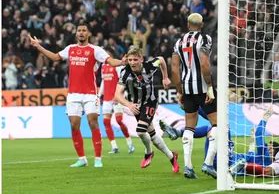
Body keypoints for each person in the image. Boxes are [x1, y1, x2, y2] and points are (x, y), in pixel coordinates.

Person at [28, 23, 127, 168]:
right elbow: (55, 57)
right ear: (76, 33)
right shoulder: (70, 49)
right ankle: (82, 159)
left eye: (84, 31)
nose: (81, 33)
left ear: (88, 34)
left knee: (93, 123)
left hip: (90, 94)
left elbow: (110, 61)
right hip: (73, 94)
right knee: (74, 125)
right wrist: (38, 46)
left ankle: (98, 159)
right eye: (79, 30)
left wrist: (121, 62)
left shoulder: (95, 50)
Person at [114, 48, 179, 173]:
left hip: (150, 102)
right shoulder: (125, 73)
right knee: (153, 135)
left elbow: (161, 59)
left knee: (140, 130)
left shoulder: (149, 66)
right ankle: (172, 157)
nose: (132, 62)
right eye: (130, 60)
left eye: (135, 60)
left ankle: (148, 153)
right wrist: (129, 105)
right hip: (136, 105)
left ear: (141, 59)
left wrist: (165, 77)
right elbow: (117, 94)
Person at [160, 107, 277, 176]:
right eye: (269, 146)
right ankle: (179, 131)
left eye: (270, 148)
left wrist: (265, 118)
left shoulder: (267, 159)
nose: (267, 147)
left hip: (226, 159)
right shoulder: (258, 158)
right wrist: (252, 138)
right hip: (222, 159)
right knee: (211, 129)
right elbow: (252, 149)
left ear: (274, 154)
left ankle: (192, 108)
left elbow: (259, 135)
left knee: (221, 123)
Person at [172, 12, 217, 179]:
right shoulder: (205, 39)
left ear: (188, 25)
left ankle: (188, 167)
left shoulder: (178, 42)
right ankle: (208, 163)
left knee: (189, 127)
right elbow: (205, 63)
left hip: (187, 88)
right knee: (218, 124)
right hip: (203, 87)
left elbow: (175, 68)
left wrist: (179, 90)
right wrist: (210, 86)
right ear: (202, 24)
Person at [98, 47, 135, 154]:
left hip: (116, 98)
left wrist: (121, 96)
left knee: (119, 121)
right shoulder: (103, 66)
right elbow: (104, 82)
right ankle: (114, 146)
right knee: (106, 122)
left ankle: (129, 143)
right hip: (106, 99)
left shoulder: (117, 67)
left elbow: (123, 82)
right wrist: (99, 95)